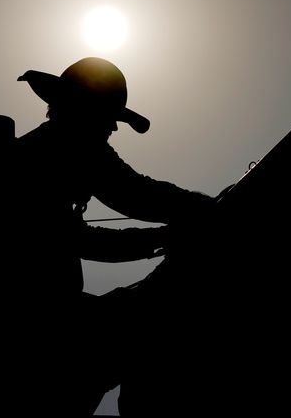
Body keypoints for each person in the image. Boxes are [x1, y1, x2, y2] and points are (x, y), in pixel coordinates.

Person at [12, 57, 215, 414]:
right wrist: (203, 212)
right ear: (83, 110)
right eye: (108, 117)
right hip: (38, 318)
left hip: (46, 313)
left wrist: (163, 235)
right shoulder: (75, 145)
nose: (113, 129)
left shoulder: (48, 147)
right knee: (146, 328)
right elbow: (135, 195)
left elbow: (82, 237)